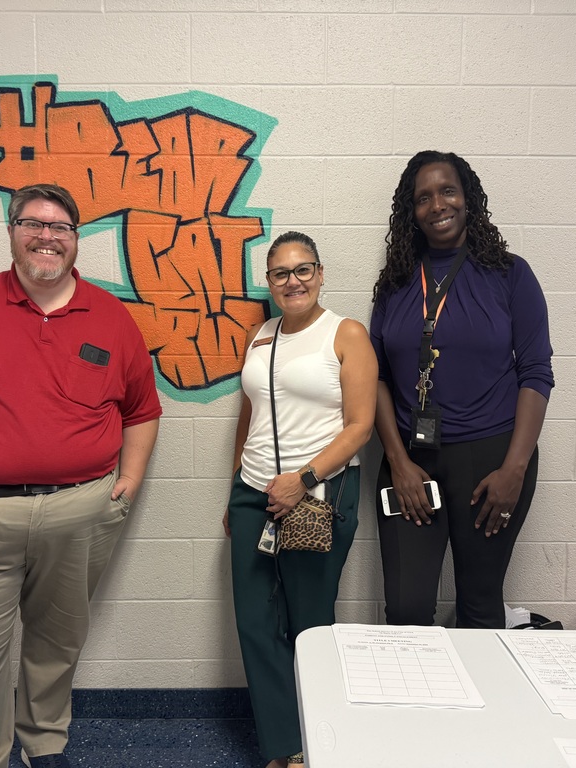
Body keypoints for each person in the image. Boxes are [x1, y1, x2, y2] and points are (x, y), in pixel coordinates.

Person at [0, 183, 161, 768]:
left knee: (57, 644)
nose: (47, 236)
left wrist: (129, 482)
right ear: (13, 232)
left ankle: (44, 746)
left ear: (76, 241)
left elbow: (142, 410)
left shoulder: (110, 316)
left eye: (61, 227)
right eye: (33, 223)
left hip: (78, 513)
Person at [371, 150, 554, 629]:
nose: (437, 205)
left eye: (447, 191)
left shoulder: (511, 275)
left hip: (492, 463)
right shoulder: (394, 285)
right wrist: (397, 463)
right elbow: (378, 379)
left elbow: (536, 372)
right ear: (410, 212)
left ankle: (482, 704)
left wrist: (514, 470)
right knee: (407, 610)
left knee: (479, 605)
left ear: (468, 199)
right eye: (423, 197)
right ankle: (420, 703)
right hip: (412, 462)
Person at [224, 231, 377, 768]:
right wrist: (235, 488)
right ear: (269, 283)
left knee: (308, 624)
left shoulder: (346, 333)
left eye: (303, 269)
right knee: (254, 622)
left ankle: (318, 743)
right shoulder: (262, 334)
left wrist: (304, 476)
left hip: (318, 496)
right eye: (281, 273)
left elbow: (361, 426)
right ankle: (282, 746)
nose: (294, 281)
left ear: (320, 273)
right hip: (254, 494)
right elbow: (250, 413)